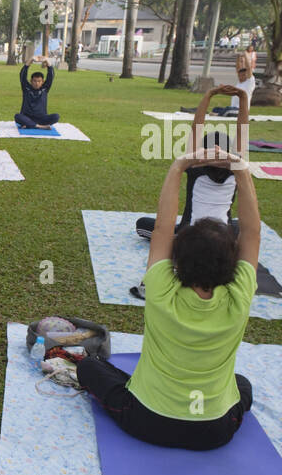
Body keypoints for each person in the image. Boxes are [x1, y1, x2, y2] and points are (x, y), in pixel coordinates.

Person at [77, 84, 260, 452]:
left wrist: (178, 165)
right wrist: (241, 169)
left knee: (89, 367)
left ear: (176, 258)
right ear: (232, 263)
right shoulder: (240, 294)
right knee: (242, 386)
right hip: (214, 432)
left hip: (148, 421)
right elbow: (252, 232)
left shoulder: (160, 286)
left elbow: (162, 229)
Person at [136, 86, 247, 239]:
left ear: (203, 151)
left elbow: (196, 129)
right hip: (224, 237)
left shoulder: (195, 165)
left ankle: (175, 240)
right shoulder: (237, 169)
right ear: (228, 153)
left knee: (142, 223)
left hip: (188, 235)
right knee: (241, 225)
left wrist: (209, 94)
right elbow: (242, 131)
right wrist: (243, 97)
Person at [14, 56, 59, 129]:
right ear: (31, 81)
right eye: (34, 81)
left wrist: (47, 60)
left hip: (41, 118)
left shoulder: (45, 89)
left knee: (56, 116)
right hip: (27, 117)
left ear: (42, 82)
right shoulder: (26, 88)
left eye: (39, 81)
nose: (37, 83)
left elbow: (51, 76)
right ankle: (39, 126)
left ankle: (30, 125)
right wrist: (31, 59)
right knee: (17, 116)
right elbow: (22, 74)